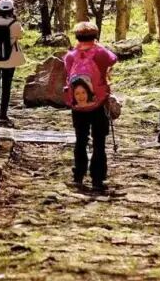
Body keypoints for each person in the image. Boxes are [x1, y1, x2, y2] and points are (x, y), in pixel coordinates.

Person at [63, 21, 119, 192]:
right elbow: (113, 59)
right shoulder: (101, 53)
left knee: (81, 140)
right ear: (95, 36)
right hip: (99, 103)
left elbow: (67, 71)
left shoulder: (70, 56)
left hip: (78, 106)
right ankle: (97, 178)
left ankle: (78, 175)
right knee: (99, 141)